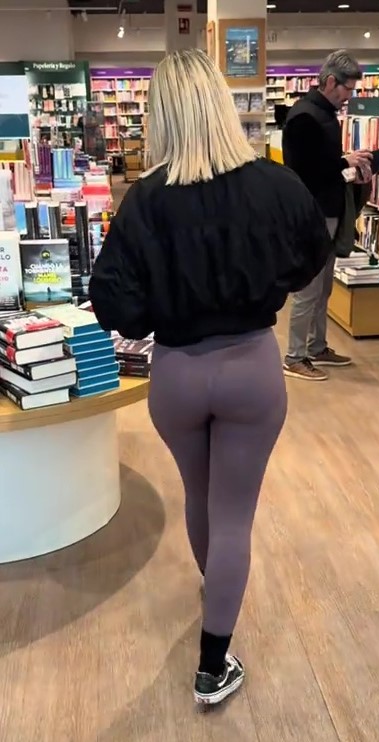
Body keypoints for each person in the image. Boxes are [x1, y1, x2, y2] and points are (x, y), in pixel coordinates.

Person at [89, 49, 332, 707]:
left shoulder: (145, 200)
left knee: (198, 496)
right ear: (223, 106)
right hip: (250, 365)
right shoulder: (275, 184)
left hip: (176, 373)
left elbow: (112, 299)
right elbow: (313, 254)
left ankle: (213, 589)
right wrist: (267, 288)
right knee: (234, 516)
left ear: (162, 115)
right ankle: (212, 664)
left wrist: (158, 312)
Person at [282, 49, 373, 381]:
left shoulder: (323, 114)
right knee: (308, 289)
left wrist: (349, 168)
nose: (349, 96)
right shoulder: (304, 116)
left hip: (329, 210)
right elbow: (303, 172)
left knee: (323, 289)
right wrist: (343, 162)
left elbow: (324, 166)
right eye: (347, 89)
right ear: (331, 81)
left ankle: (317, 346)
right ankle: (294, 356)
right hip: (312, 215)